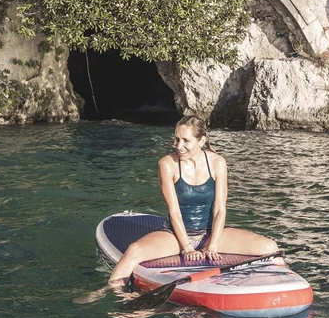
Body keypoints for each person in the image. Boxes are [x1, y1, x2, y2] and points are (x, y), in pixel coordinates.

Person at [107, 115, 282, 288]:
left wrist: (212, 244)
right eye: (176, 139)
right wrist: (187, 247)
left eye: (186, 141)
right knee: (134, 251)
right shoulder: (167, 164)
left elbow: (220, 210)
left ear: (201, 141)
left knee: (270, 247)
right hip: (176, 236)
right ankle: (111, 292)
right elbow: (174, 211)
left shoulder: (217, 162)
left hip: (211, 235)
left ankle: (283, 286)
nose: (179, 146)